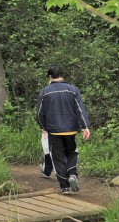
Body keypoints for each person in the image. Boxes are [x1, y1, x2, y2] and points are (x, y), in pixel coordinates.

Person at [36, 65, 91, 194]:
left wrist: (43, 126)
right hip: (71, 130)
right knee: (72, 153)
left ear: (50, 77)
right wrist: (85, 126)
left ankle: (65, 186)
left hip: (54, 131)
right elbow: (80, 109)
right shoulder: (73, 90)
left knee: (58, 157)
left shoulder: (44, 92)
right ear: (62, 75)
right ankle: (72, 173)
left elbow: (39, 113)